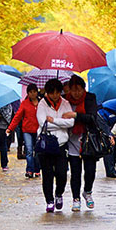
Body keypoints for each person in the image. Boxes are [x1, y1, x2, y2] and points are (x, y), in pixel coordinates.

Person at [62, 75, 113, 211]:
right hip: (72, 139)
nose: (76, 93)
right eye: (73, 90)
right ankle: (76, 198)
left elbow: (92, 117)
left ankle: (88, 192)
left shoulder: (90, 98)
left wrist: (75, 115)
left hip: (88, 139)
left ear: (83, 89)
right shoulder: (64, 100)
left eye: (79, 90)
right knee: (75, 171)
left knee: (90, 170)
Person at [36, 78, 74, 213]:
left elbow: (71, 123)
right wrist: (61, 122)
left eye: (58, 92)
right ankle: (49, 200)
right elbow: (43, 124)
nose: (55, 96)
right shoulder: (42, 104)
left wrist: (54, 120)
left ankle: (59, 194)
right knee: (47, 174)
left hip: (61, 144)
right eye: (52, 93)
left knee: (62, 173)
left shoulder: (65, 104)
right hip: (46, 145)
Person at [7, 83, 41, 178]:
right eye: (31, 92)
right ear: (28, 93)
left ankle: (37, 169)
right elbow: (18, 116)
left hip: (39, 130)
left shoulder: (42, 103)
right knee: (29, 150)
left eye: (34, 91)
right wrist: (10, 128)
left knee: (38, 151)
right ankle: (29, 170)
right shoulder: (24, 104)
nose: (33, 94)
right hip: (27, 130)